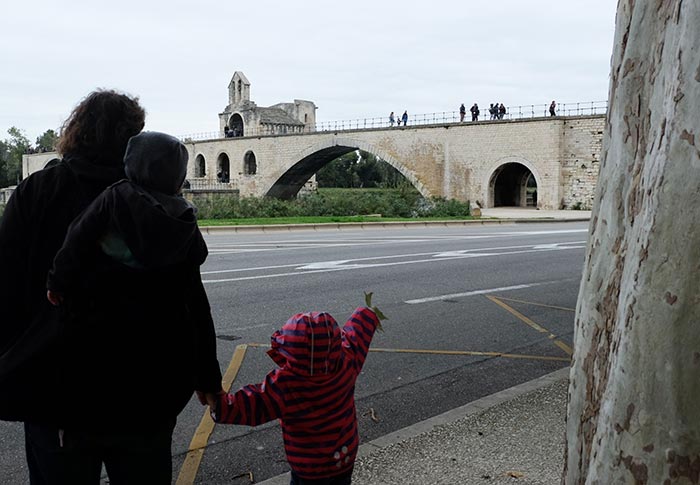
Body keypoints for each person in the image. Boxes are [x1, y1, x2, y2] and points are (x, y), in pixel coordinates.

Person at [0, 91, 222, 485]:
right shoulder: (162, 207)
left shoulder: (38, 192)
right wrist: (207, 376)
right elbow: (192, 301)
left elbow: (7, 290)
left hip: (58, 394)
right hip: (145, 395)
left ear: (76, 132)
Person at [211, 298, 385, 485]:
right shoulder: (347, 361)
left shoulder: (285, 385)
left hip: (309, 470)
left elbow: (252, 404)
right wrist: (366, 313)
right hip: (344, 457)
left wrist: (218, 404)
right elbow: (356, 335)